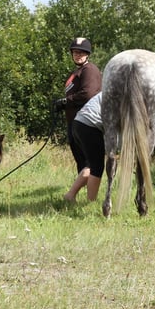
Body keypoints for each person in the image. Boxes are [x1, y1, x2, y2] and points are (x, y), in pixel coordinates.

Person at [54, 37, 102, 200]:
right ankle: (83, 198)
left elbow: (88, 93)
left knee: (90, 163)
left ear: (87, 54)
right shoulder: (76, 72)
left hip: (87, 123)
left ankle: (75, 196)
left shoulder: (90, 70)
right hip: (75, 122)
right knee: (83, 163)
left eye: (81, 52)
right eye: (75, 52)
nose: (78, 55)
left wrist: (67, 101)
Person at [64, 92, 104, 203]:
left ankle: (70, 195)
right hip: (89, 125)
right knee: (97, 167)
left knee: (91, 165)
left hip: (79, 123)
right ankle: (91, 202)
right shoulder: (121, 94)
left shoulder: (111, 89)